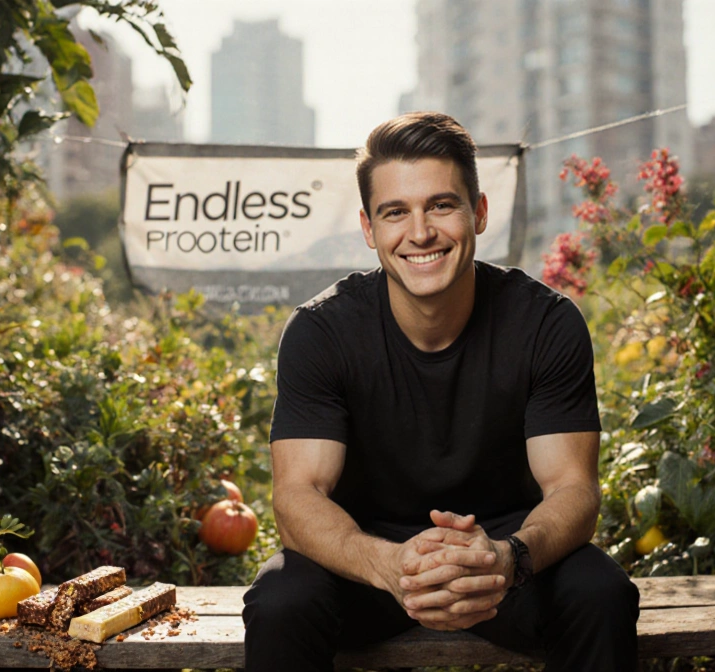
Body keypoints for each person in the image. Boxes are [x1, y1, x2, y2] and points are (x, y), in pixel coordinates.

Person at [241, 112, 639, 672]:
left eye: (441, 205)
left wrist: (510, 558)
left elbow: (574, 489)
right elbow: (297, 496)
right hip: (367, 563)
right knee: (281, 598)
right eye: (395, 212)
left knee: (600, 593)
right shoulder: (320, 332)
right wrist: (387, 564)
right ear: (368, 228)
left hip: (502, 562)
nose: (420, 232)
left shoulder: (546, 324)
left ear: (478, 211)